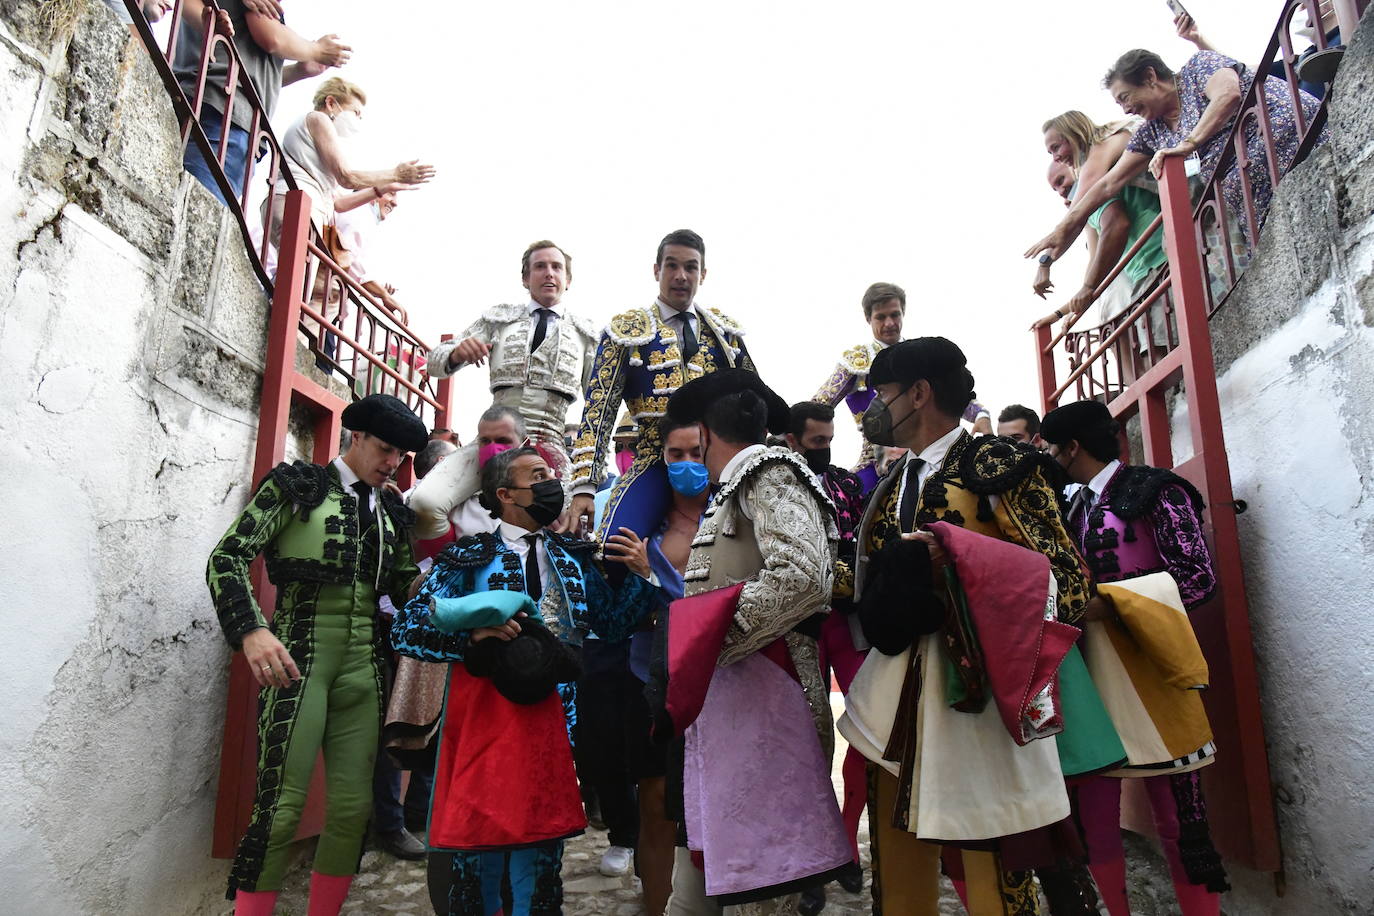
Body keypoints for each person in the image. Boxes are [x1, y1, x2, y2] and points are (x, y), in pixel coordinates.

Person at [837, 339, 1108, 916]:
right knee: (896, 843)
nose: (872, 411)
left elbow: (1066, 582)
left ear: (919, 393)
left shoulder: (999, 466)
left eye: (882, 395)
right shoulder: (889, 486)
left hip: (980, 690)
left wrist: (960, 567)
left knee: (995, 846)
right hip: (897, 693)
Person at [391, 447, 660, 916]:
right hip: (486, 718)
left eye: (551, 474)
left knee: (540, 858)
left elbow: (613, 625)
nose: (552, 481)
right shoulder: (469, 556)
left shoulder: (572, 558)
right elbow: (408, 628)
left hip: (556, 723)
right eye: (538, 475)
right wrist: (472, 639)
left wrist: (641, 577)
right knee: (481, 849)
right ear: (504, 494)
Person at [206, 393, 428, 915]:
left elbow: (402, 586)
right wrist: (251, 632)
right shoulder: (297, 486)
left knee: (352, 811)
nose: (392, 463)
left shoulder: (393, 511)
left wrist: (456, 586)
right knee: (280, 808)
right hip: (297, 663)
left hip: (365, 670)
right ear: (356, 438)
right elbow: (227, 557)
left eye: (401, 455)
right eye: (384, 448)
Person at [649, 370, 848, 915]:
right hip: (736, 708)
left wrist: (708, 640)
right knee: (706, 887)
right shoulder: (740, 486)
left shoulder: (768, 473)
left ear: (707, 435)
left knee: (759, 893)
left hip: (767, 702)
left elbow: (804, 576)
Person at [1040, 400, 1227, 916]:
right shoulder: (1062, 507)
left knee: (1180, 819)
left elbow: (1197, 576)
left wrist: (1111, 605)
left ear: (1071, 448)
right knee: (1095, 819)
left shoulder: (1155, 490)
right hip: (1088, 676)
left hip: (1152, 669)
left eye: (1053, 448)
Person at [1025, 46, 1326, 265]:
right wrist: (1062, 229)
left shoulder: (1199, 67)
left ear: (1150, 77)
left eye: (1125, 97)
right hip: (1257, 197)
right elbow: (1107, 184)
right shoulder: (1152, 131)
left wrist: (1189, 143)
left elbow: (1228, 94)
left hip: (1295, 146)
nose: (1125, 110)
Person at [568, 229, 754, 544]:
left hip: (719, 464)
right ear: (657, 270)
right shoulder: (625, 332)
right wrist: (584, 486)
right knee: (614, 549)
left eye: (691, 267)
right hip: (655, 459)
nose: (681, 276)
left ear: (703, 274)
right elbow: (599, 409)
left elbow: (753, 402)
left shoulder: (725, 334)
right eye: (671, 266)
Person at [783, 401, 867, 914]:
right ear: (793, 440)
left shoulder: (849, 484)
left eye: (830, 438)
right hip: (798, 627)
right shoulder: (774, 487)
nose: (826, 449)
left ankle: (847, 844)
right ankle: (813, 857)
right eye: (816, 441)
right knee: (805, 738)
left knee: (866, 725)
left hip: (849, 620)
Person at [426, 241, 598, 480]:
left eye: (557, 267)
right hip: (493, 439)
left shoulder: (586, 336)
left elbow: (598, 404)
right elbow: (433, 364)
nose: (549, 272)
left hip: (550, 445)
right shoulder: (499, 319)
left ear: (568, 280)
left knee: (563, 514)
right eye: (540, 266)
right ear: (525, 279)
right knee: (426, 501)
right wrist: (457, 354)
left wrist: (587, 465)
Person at [813, 283, 992, 491]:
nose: (890, 323)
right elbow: (819, 405)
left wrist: (981, 415)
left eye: (895, 315)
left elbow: (954, 395)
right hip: (875, 465)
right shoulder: (857, 361)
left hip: (931, 457)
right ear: (868, 318)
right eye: (881, 317)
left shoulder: (921, 356)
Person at [173, 0, 351, 204]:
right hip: (224, 114)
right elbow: (271, 38)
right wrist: (317, 50)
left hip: (206, 99)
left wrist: (298, 71)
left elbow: (249, 70)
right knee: (197, 209)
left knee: (184, 203)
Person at [372, 438, 456, 860]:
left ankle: (419, 813)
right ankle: (390, 822)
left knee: (436, 723)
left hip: (440, 631)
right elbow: (393, 583)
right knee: (400, 725)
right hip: (400, 632)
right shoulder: (400, 508)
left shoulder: (466, 513)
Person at [1033, 111, 1168, 335]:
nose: (1055, 157)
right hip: (1149, 267)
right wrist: (1067, 308)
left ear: (1074, 133)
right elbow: (1084, 234)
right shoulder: (1101, 156)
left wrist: (1045, 263)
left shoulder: (1104, 146)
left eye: (1056, 147)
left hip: (1166, 247)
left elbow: (1077, 214)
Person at [266, 77, 435, 255]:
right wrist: (396, 174)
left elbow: (338, 203)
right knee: (295, 276)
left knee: (299, 278)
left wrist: (382, 189)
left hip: (304, 207)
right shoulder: (318, 119)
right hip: (295, 204)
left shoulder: (319, 156)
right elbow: (346, 177)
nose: (357, 120)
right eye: (355, 112)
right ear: (331, 103)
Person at [411, 405, 528, 545]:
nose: (492, 449)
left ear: (525, 444)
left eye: (503, 441)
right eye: (485, 441)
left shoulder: (546, 495)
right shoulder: (455, 501)